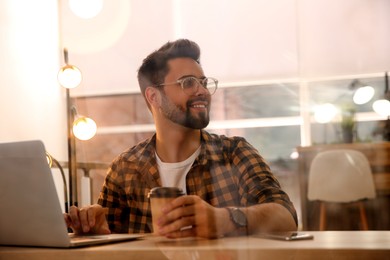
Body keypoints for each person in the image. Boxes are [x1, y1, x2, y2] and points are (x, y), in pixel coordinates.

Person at [64, 39, 298, 239]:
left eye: (203, 82)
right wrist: (92, 227)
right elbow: (108, 236)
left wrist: (224, 220)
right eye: (188, 82)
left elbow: (286, 216)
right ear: (154, 96)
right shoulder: (124, 169)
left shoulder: (235, 153)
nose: (203, 91)